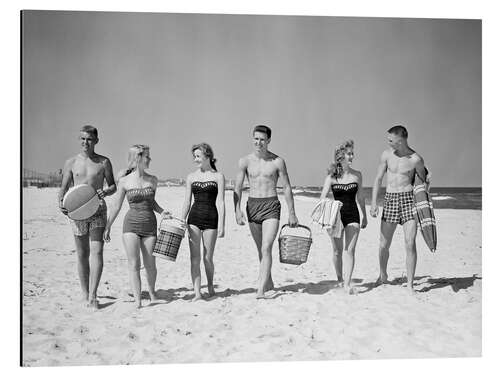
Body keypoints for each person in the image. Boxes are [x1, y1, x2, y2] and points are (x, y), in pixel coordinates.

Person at [234, 125, 299, 299]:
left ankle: (261, 290)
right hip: (252, 206)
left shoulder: (277, 161)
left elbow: (286, 187)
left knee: (266, 247)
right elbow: (238, 187)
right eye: (256, 138)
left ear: (268, 140)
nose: (259, 142)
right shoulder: (245, 161)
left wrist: (292, 212)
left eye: (262, 139)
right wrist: (237, 210)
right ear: (252, 139)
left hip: (271, 205)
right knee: (260, 250)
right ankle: (268, 282)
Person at [104, 145, 172, 309]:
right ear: (138, 158)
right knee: (134, 264)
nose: (150, 159)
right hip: (131, 225)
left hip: (150, 225)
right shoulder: (124, 181)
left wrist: (162, 212)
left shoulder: (153, 180)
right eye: (147, 156)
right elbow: (116, 206)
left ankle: (152, 294)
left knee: (151, 265)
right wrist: (108, 226)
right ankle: (137, 300)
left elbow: (152, 202)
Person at [58, 125, 116, 310]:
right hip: (77, 212)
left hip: (98, 209)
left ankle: (93, 295)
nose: (85, 142)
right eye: (82, 139)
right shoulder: (71, 162)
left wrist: (105, 191)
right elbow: (64, 188)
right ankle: (84, 292)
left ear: (96, 141)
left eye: (89, 139)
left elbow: (113, 185)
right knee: (83, 254)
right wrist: (61, 203)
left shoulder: (104, 162)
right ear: (79, 139)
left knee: (97, 251)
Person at [370, 125, 426, 294]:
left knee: (410, 243)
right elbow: (378, 178)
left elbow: (423, 182)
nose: (388, 142)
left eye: (391, 140)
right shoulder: (386, 155)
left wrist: (425, 203)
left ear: (400, 140)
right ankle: (383, 275)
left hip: (409, 200)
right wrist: (373, 202)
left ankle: (410, 285)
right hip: (390, 200)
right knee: (384, 244)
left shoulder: (416, 159)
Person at [318, 140, 367, 294]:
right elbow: (322, 198)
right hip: (336, 218)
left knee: (350, 250)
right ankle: (340, 279)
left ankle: (346, 284)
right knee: (337, 251)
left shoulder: (357, 175)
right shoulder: (331, 177)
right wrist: (327, 216)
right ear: (340, 157)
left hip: (353, 214)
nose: (352, 156)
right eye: (349, 153)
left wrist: (364, 215)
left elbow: (360, 198)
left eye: (352, 153)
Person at [181, 143, 226, 301]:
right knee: (194, 258)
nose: (195, 159)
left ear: (207, 156)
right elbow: (187, 201)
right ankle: (198, 293)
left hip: (211, 218)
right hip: (193, 218)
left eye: (198, 156)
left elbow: (220, 202)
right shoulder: (191, 177)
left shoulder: (218, 176)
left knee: (207, 258)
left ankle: (211, 285)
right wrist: (182, 219)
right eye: (194, 156)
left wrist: (222, 225)